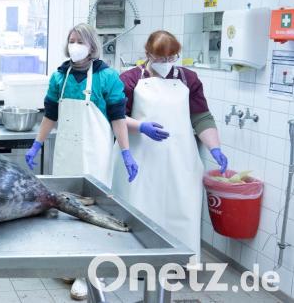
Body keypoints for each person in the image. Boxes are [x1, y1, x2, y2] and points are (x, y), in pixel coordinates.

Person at [24, 23, 135, 301]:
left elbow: (118, 119)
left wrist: (126, 152)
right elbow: (50, 115)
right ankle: (70, 263)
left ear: (92, 45)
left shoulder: (107, 77)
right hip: (66, 155)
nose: (74, 45)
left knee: (92, 213)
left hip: (95, 157)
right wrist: (37, 144)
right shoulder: (59, 77)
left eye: (80, 41)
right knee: (64, 208)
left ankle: (89, 273)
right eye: (71, 40)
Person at [113, 30, 227, 266]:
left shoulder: (189, 79)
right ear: (148, 54)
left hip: (180, 160)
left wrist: (214, 147)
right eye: (160, 58)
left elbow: (201, 117)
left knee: (181, 209)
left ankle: (179, 262)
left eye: (171, 57)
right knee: (142, 209)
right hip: (141, 159)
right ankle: (137, 262)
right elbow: (116, 117)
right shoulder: (130, 79)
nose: (166, 62)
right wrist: (141, 127)